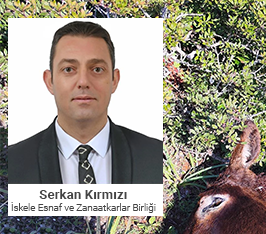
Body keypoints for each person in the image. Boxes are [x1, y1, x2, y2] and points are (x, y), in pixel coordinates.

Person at [8, 21, 162, 184]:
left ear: (114, 80)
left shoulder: (155, 156)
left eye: (97, 69)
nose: (83, 81)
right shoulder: (14, 162)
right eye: (68, 69)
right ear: (50, 81)